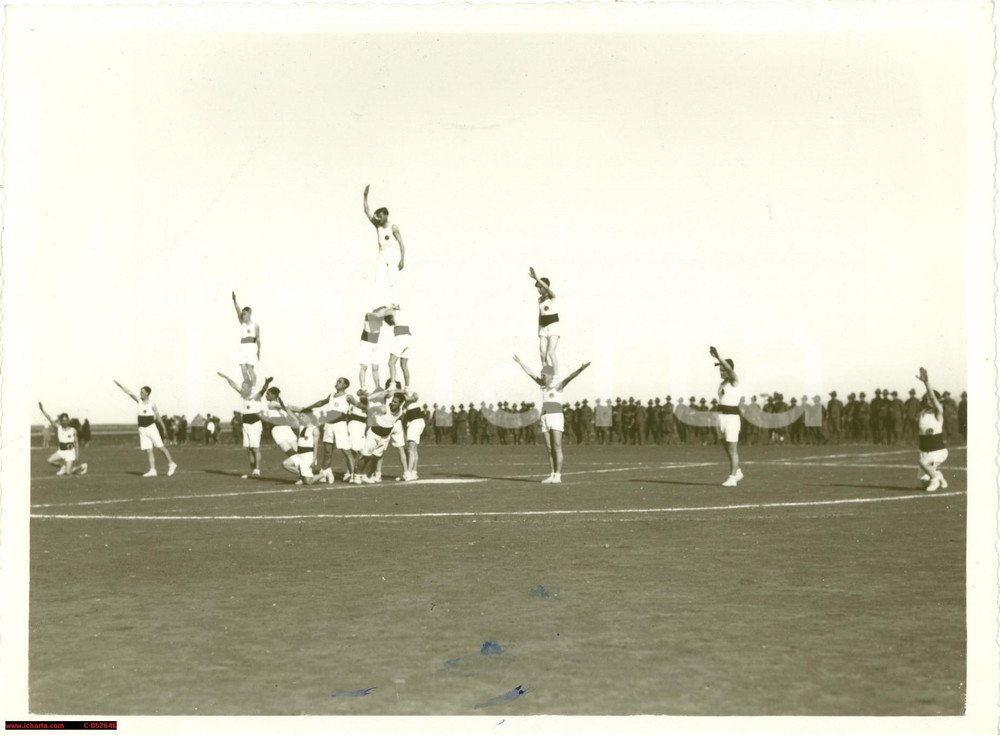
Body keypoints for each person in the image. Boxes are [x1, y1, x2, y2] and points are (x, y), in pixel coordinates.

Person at [513, 354, 591, 483]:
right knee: (549, 448)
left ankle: (558, 475)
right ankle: (552, 474)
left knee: (556, 446)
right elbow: (530, 373)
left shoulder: (558, 386)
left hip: (556, 417)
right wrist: (520, 362)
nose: (542, 377)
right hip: (545, 417)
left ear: (550, 375)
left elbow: (570, 377)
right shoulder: (542, 386)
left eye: (544, 375)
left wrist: (581, 369)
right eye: (541, 375)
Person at [113, 381, 178, 477]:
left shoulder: (152, 404)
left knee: (160, 447)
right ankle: (152, 470)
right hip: (142, 429)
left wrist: (164, 429)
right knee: (149, 450)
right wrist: (120, 386)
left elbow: (158, 417)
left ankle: (172, 464)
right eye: (140, 391)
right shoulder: (139, 401)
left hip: (151, 428)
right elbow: (129, 392)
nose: (140, 393)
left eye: (142, 392)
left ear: (147, 393)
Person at [218, 372, 273, 479]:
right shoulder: (244, 395)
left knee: (255, 448)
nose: (242, 389)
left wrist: (267, 383)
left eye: (244, 387)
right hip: (246, 424)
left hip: (255, 423)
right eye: (242, 387)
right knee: (248, 449)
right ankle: (253, 471)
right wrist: (227, 377)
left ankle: (257, 470)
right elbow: (234, 386)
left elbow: (263, 389)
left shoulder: (256, 395)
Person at [300, 377, 354, 482]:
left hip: (340, 425)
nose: (337, 383)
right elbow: (321, 402)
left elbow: (358, 404)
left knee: (346, 451)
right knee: (327, 451)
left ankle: (353, 475)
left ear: (345, 385)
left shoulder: (348, 397)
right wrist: (308, 407)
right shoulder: (331, 395)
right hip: (329, 425)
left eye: (340, 382)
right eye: (337, 381)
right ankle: (324, 473)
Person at [363, 185, 405, 307]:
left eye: (380, 217)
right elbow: (366, 211)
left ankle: (394, 302)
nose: (378, 219)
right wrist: (365, 196)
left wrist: (402, 259)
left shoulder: (393, 227)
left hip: (392, 254)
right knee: (379, 278)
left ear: (386, 215)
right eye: (377, 217)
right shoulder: (378, 226)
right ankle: (379, 304)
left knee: (393, 278)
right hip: (382, 254)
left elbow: (402, 244)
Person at [709, 346, 743, 487]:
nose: (721, 373)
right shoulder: (721, 384)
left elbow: (730, 370)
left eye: (723, 370)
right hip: (721, 418)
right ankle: (738, 471)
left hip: (731, 418)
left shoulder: (734, 381)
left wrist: (718, 357)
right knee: (726, 446)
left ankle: (732, 478)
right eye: (720, 370)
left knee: (732, 449)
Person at [914, 368, 949, 492]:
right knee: (923, 482)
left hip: (938, 451)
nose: (928, 400)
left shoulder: (938, 412)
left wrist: (926, 383)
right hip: (925, 451)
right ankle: (938, 475)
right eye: (926, 398)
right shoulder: (922, 413)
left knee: (924, 463)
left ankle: (935, 479)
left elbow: (934, 399)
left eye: (931, 398)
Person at [38, 403, 87, 476]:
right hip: (61, 451)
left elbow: (76, 444)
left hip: (70, 452)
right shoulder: (59, 428)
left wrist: (77, 455)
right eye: (63, 420)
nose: (64, 422)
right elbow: (49, 418)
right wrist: (42, 410)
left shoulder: (73, 430)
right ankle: (63, 467)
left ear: (68, 420)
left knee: (68, 472)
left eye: (66, 420)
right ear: (60, 421)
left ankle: (82, 466)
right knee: (50, 461)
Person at [529, 267, 560, 377]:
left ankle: (555, 376)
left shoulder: (552, 296)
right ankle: (548, 376)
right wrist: (538, 329)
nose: (539, 290)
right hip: (543, 327)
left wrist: (536, 278)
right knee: (542, 354)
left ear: (544, 287)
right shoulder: (539, 299)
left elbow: (547, 288)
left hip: (553, 325)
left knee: (551, 352)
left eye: (540, 287)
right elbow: (540, 313)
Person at [359, 306, 395, 391]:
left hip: (374, 343)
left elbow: (391, 322)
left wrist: (392, 310)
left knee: (375, 367)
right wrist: (391, 306)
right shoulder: (370, 314)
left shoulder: (380, 317)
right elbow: (378, 314)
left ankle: (377, 387)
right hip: (366, 342)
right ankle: (363, 387)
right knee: (364, 366)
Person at [232, 291, 260, 387]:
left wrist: (258, 352)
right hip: (243, 346)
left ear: (249, 313)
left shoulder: (255, 325)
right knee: (243, 368)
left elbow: (258, 339)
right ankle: (248, 384)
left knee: (250, 368)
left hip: (251, 346)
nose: (243, 316)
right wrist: (234, 301)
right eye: (242, 314)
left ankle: (254, 386)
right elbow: (237, 310)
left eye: (245, 314)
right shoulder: (242, 324)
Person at [386, 309, 412, 388]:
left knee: (391, 363)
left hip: (401, 336)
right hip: (409, 337)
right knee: (404, 365)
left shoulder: (392, 311)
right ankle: (407, 387)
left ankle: (392, 384)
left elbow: (382, 314)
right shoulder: (402, 313)